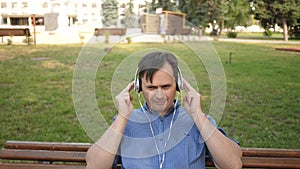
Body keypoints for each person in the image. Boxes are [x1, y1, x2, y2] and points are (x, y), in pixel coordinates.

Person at [86, 52, 242, 169]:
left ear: (179, 85)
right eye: (151, 87)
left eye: (166, 87)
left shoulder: (198, 120)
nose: (159, 95)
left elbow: (233, 164)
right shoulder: (125, 122)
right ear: (139, 87)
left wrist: (197, 115)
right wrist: (121, 118)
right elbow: (94, 166)